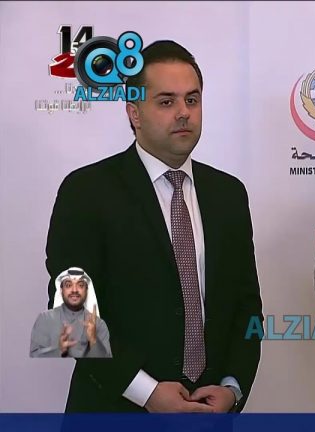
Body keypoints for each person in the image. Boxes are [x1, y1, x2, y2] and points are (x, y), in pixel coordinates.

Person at [45, 40, 263, 413]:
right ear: (134, 112)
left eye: (192, 100)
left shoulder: (228, 194)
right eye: (166, 102)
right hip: (114, 412)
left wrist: (232, 387)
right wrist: (146, 392)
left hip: (209, 414)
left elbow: (246, 307)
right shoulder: (88, 191)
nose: (183, 113)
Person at [30, 268, 112, 358]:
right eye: (68, 285)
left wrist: (93, 340)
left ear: (86, 290)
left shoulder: (98, 324)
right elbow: (34, 356)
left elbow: (107, 360)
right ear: (61, 290)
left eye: (80, 285)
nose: (74, 290)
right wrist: (59, 350)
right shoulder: (45, 319)